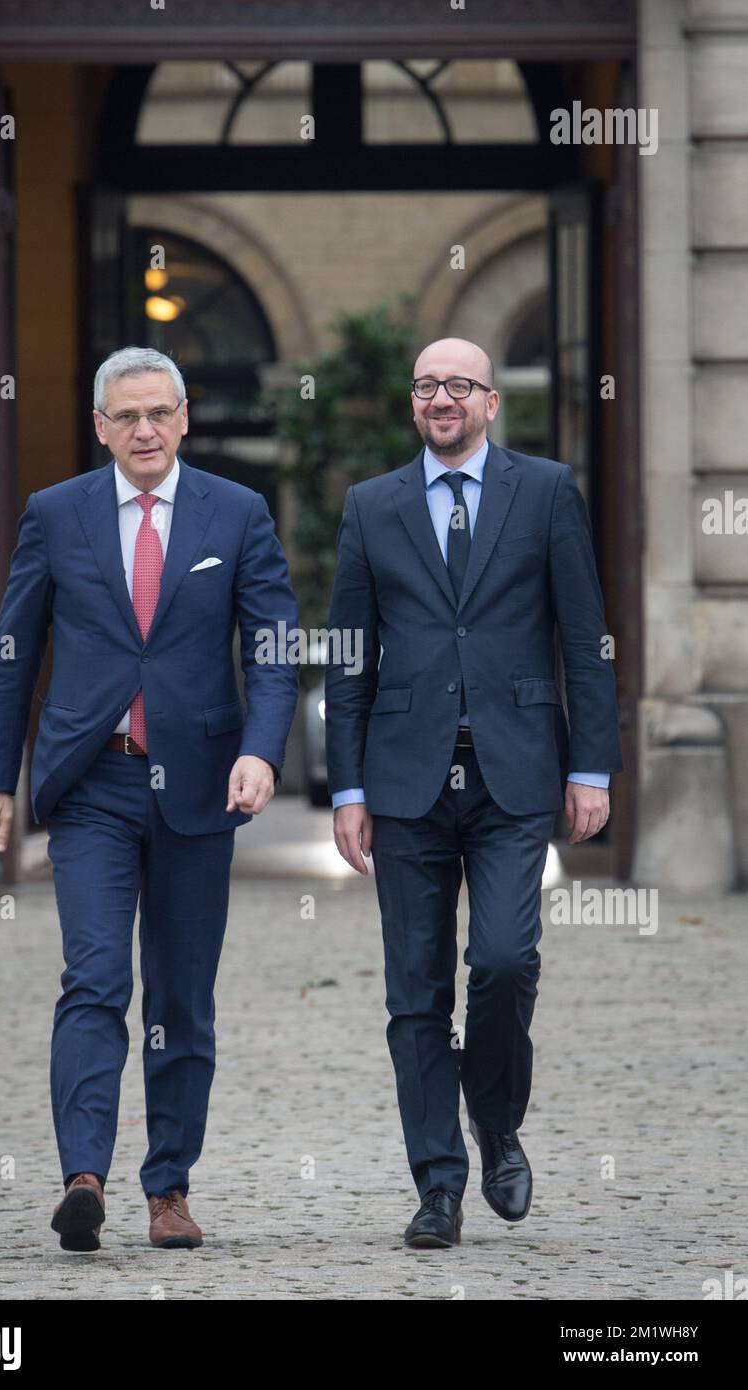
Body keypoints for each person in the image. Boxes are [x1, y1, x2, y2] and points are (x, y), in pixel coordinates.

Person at [0, 346, 299, 1251]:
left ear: (185, 418)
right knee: (96, 977)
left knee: (182, 998)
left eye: (160, 413)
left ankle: (170, 1190)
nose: (145, 430)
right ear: (101, 426)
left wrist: (262, 754)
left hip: (199, 786)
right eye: (128, 416)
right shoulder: (56, 514)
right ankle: (84, 1177)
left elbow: (274, 647)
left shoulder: (237, 514)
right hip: (94, 785)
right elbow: (13, 652)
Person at [324, 337, 622, 1248]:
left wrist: (591, 767)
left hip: (516, 771)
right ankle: (438, 1185)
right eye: (426, 386)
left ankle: (495, 1118)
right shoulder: (372, 506)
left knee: (500, 961)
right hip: (406, 778)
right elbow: (349, 659)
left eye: (458, 385)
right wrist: (347, 786)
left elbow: (586, 638)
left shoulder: (545, 492)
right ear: (414, 404)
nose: (441, 399)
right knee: (416, 995)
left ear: (492, 402)